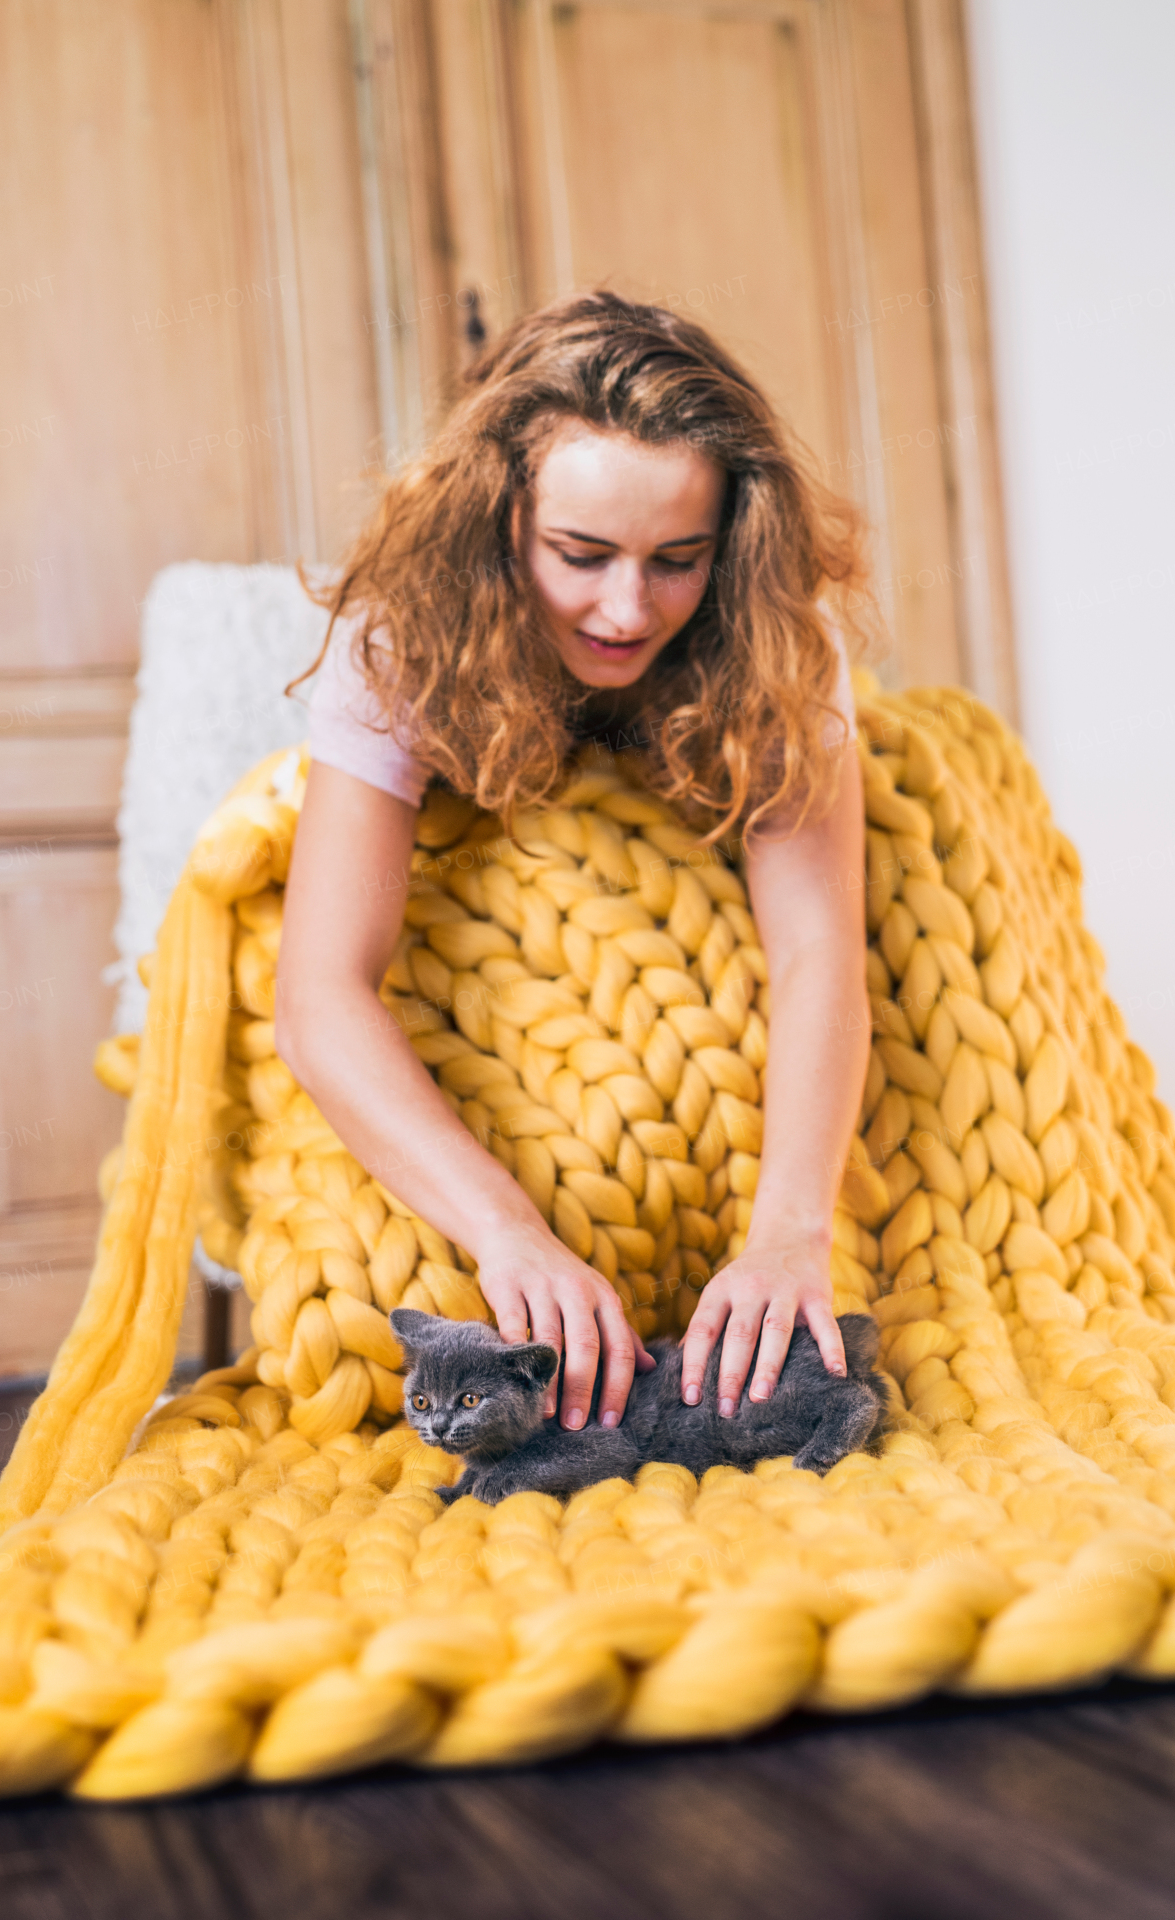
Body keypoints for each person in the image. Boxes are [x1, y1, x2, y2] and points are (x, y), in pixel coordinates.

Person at [275, 288, 874, 1442]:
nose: (624, 608)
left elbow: (814, 950)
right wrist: (507, 1230)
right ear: (497, 524)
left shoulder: (773, 630)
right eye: (580, 554)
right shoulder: (398, 638)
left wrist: (790, 1232)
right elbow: (318, 993)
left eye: (676, 561)